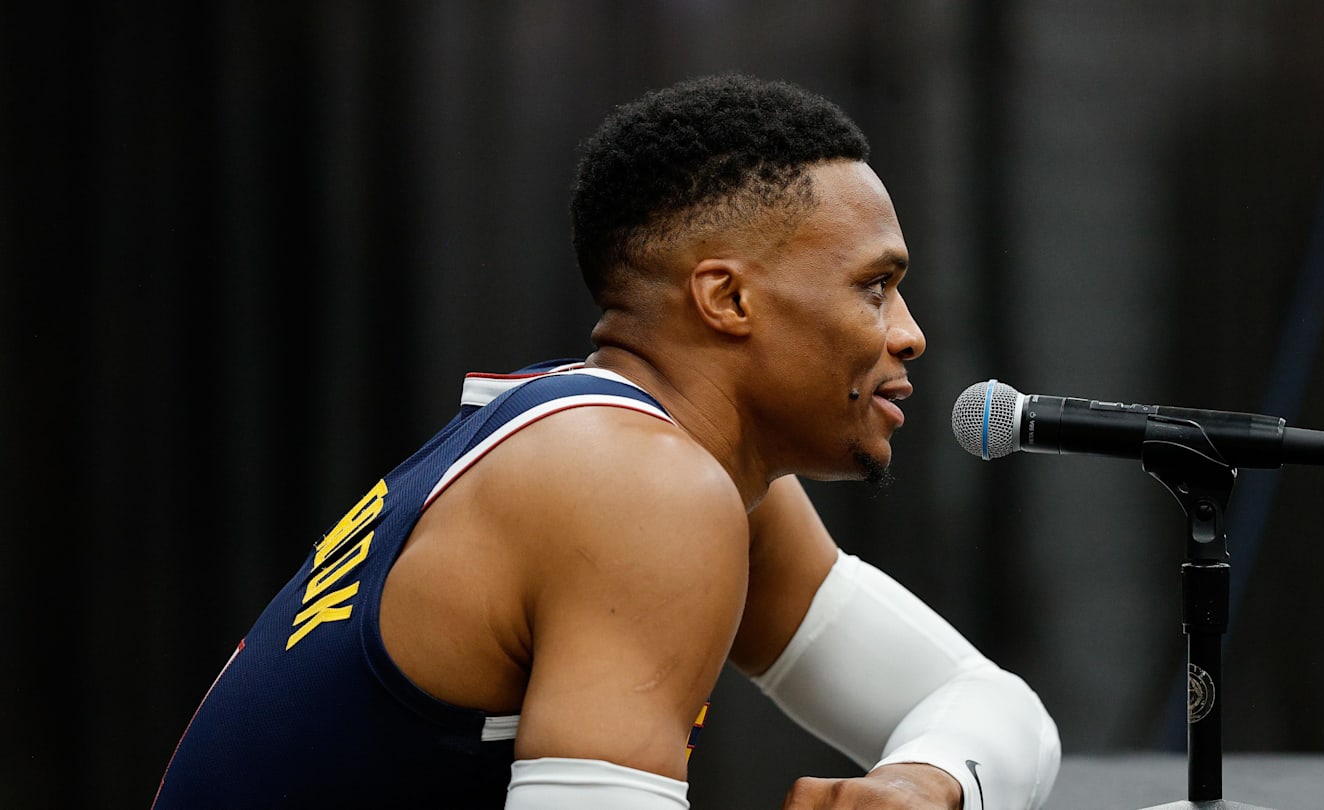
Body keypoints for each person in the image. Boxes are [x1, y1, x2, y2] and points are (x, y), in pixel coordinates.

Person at [152, 74, 1060, 809]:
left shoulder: (636, 452)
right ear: (727, 299)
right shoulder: (636, 482)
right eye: (875, 287)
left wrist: (921, 784)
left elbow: (990, 707)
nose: (910, 334)